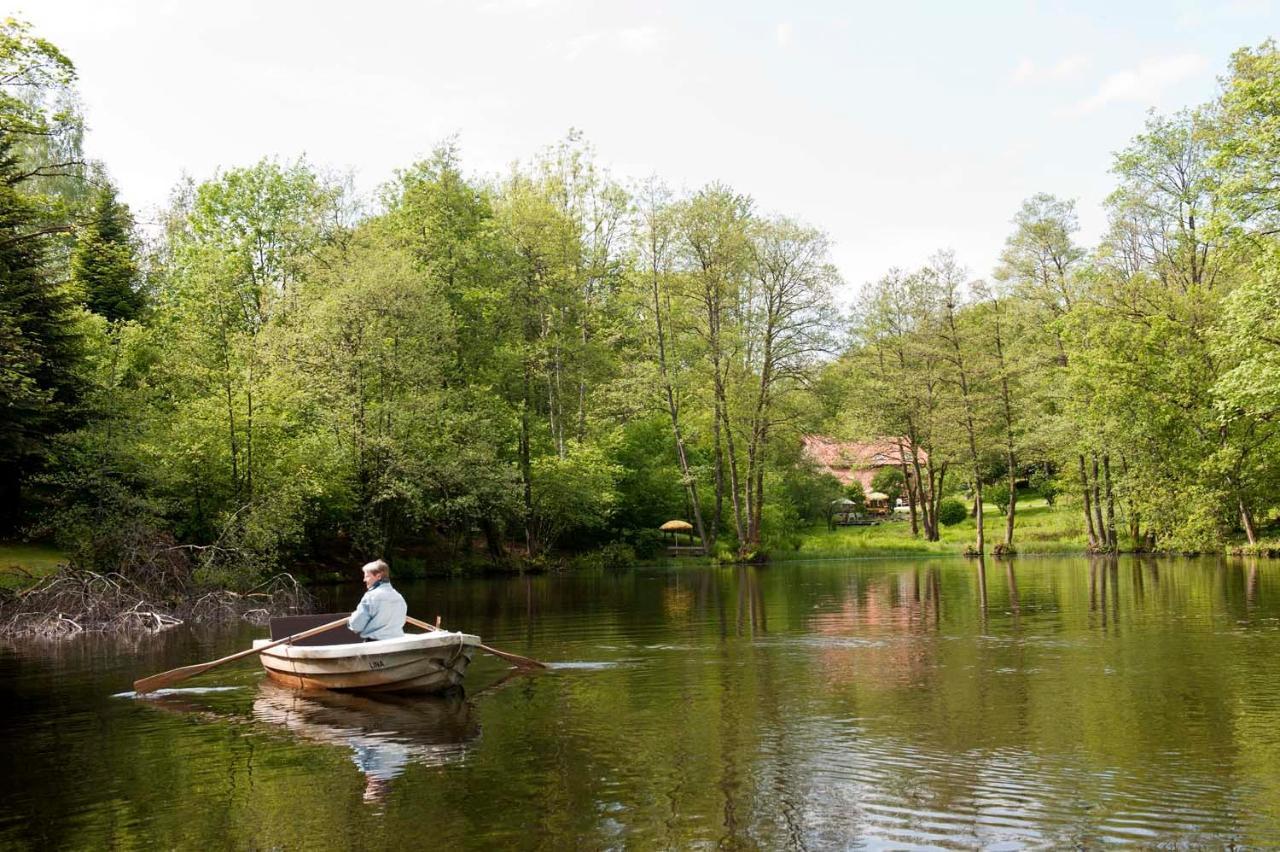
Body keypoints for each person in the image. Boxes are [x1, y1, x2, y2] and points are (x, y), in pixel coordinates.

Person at [348, 559, 407, 641]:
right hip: (396, 640)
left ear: (378, 576)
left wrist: (350, 621)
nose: (364, 580)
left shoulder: (371, 597)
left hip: (375, 643)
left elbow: (357, 625)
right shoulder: (399, 597)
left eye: (367, 576)